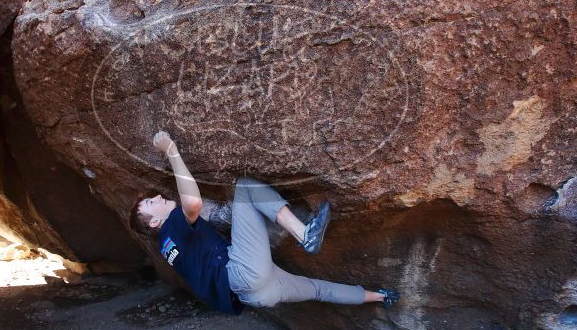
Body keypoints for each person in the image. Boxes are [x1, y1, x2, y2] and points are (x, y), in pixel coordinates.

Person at [131, 131, 400, 314]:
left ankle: (381, 296)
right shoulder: (171, 227)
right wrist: (171, 150)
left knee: (318, 289)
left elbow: (207, 216)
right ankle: (304, 235)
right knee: (246, 187)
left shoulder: (168, 246)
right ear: (154, 222)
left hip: (256, 295)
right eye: (150, 203)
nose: (156, 196)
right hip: (241, 272)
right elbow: (193, 204)